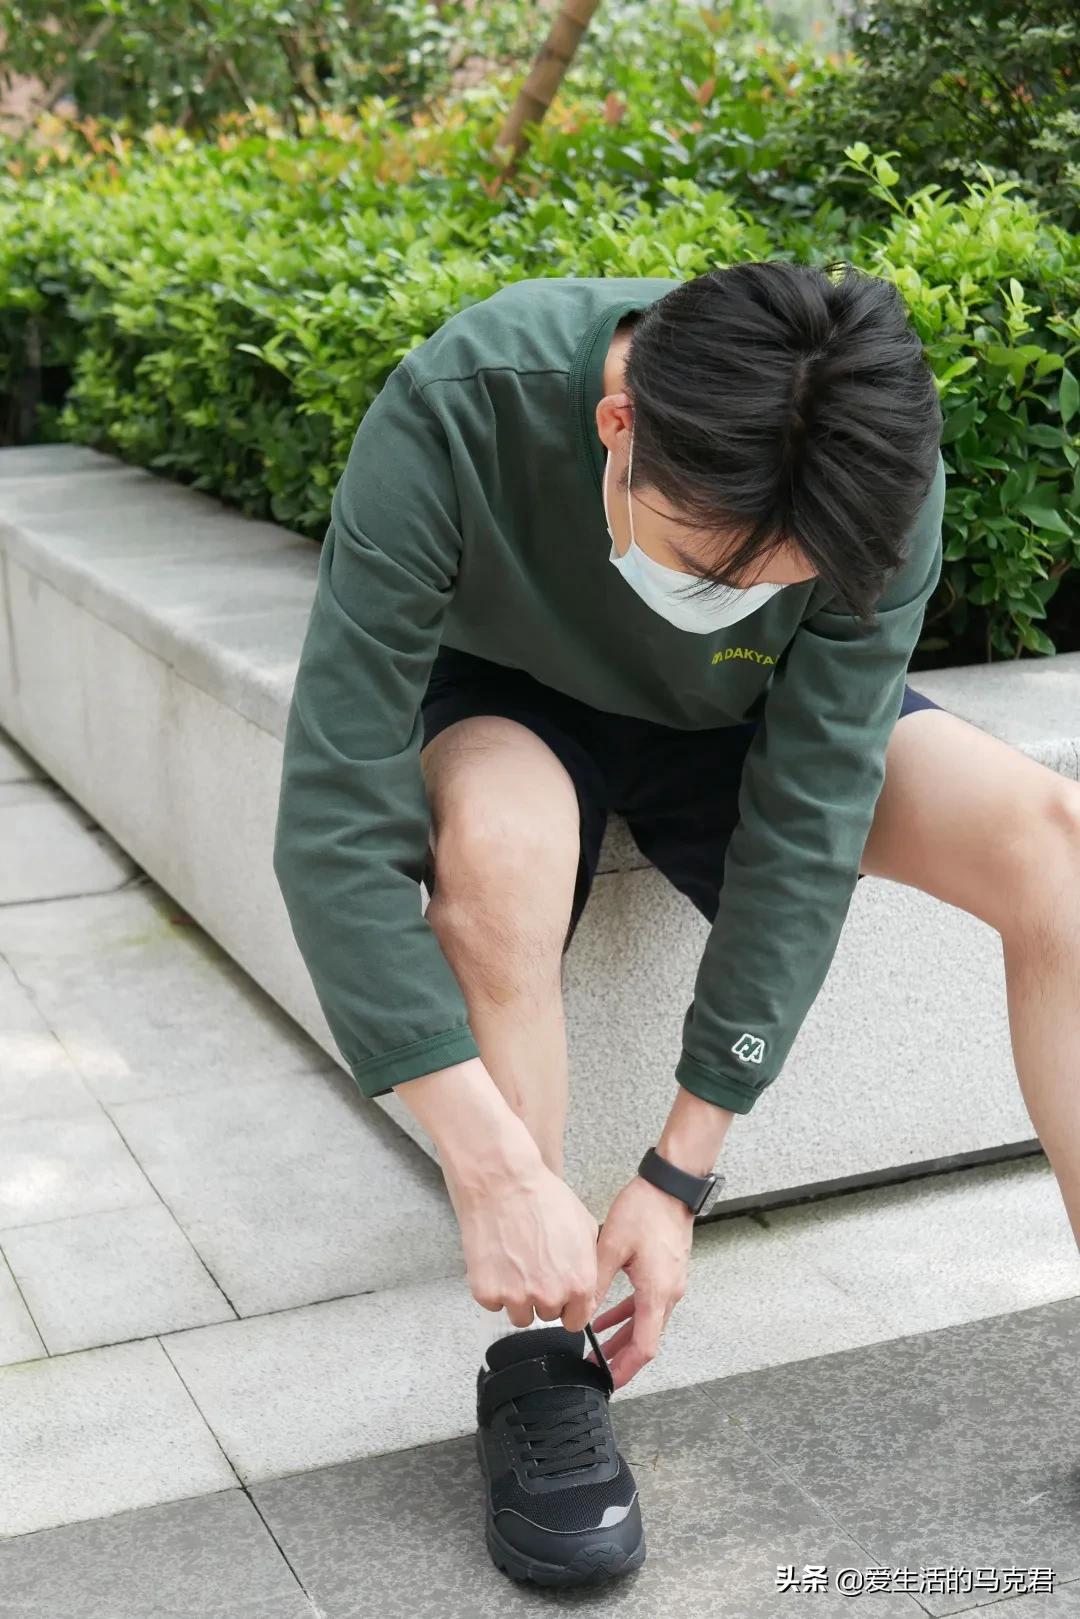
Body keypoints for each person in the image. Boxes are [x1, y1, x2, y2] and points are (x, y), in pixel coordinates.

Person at [274, 262, 1080, 1589]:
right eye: (714, 567)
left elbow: (809, 822)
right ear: (618, 427)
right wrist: (495, 1172)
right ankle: (543, 1362)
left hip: (750, 722)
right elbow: (332, 823)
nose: (745, 595)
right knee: (496, 857)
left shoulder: (867, 475)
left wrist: (676, 1175)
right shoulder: (465, 402)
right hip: (514, 695)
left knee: (1056, 848)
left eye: (783, 581)